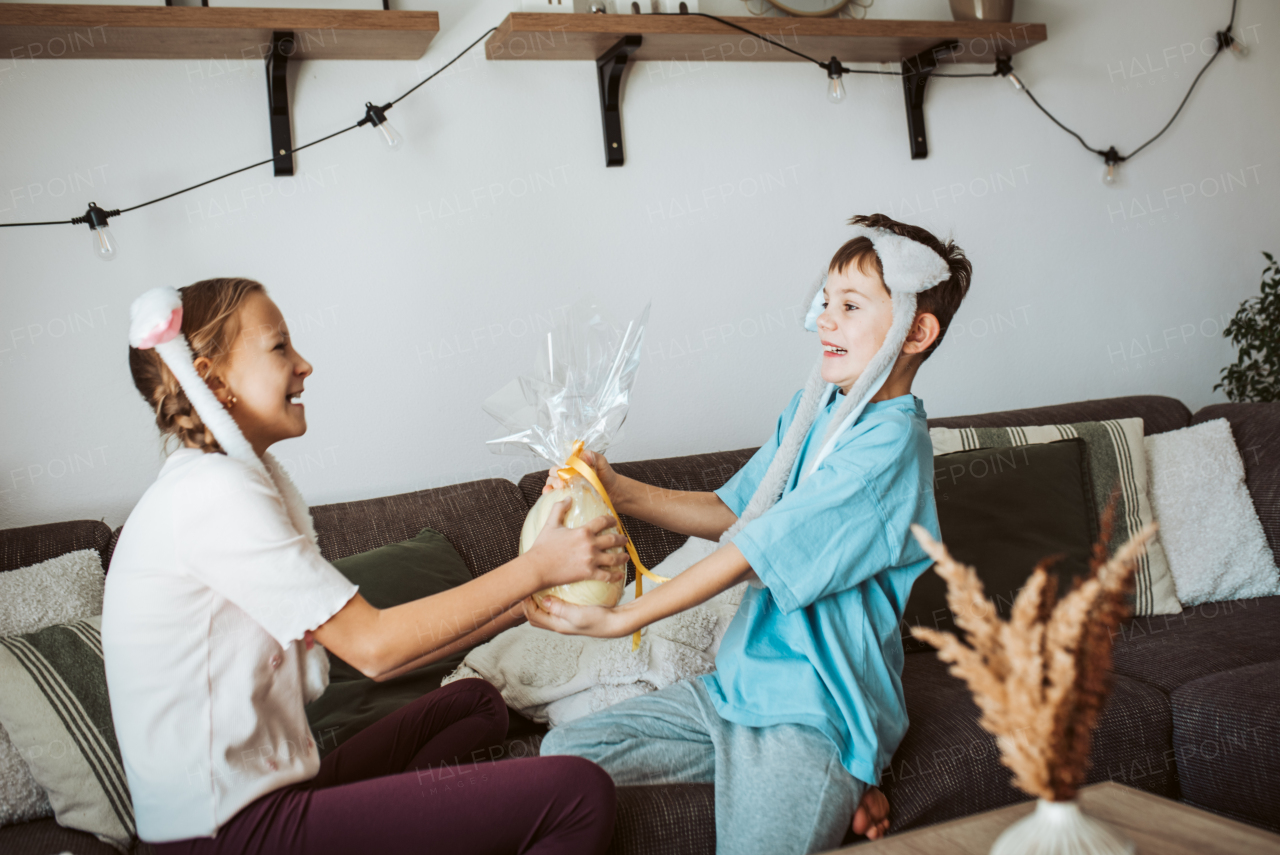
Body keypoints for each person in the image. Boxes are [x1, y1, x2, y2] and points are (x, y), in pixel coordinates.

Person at [102, 278, 624, 855]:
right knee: (579, 794)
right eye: (279, 348)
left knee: (473, 703)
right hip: (225, 834)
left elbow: (375, 655)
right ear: (211, 379)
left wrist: (516, 607)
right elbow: (375, 648)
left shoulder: (214, 483)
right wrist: (536, 569)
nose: (305, 366)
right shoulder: (214, 494)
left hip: (268, 796)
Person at [526, 214, 972, 855]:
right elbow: (735, 512)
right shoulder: (811, 411)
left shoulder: (889, 447)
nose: (824, 319)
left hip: (811, 712)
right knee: (565, 757)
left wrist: (624, 620)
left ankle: (840, 768)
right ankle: (838, 788)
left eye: (849, 306)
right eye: (825, 302)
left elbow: (751, 551)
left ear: (915, 331)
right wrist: (615, 489)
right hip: (735, 691)